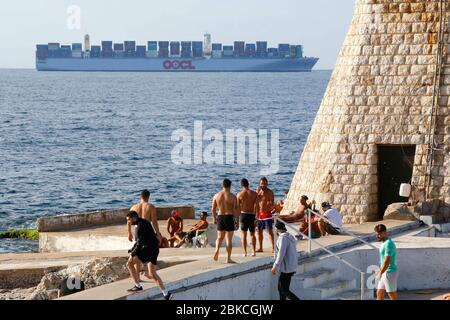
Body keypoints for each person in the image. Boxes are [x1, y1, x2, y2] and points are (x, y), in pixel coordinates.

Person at [125, 211, 172, 300]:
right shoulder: (144, 222)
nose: (128, 222)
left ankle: (138, 286)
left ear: (134, 218)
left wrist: (132, 254)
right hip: (154, 249)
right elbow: (140, 240)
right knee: (152, 274)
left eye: (129, 220)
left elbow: (140, 243)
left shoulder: (139, 226)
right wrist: (132, 249)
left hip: (148, 249)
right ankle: (166, 294)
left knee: (130, 263)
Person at [271, 220, 300, 300]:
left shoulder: (282, 238)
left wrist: (275, 266)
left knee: (283, 290)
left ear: (277, 229)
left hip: (286, 268)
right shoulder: (290, 236)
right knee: (281, 289)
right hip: (292, 266)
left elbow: (281, 253)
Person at [212, 179, 239, 263]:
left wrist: (214, 218)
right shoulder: (233, 196)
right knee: (228, 239)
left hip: (220, 216)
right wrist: (237, 221)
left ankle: (217, 250)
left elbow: (213, 209)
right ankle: (228, 258)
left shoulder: (216, 195)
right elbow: (235, 211)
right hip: (229, 217)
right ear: (230, 186)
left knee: (219, 237)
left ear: (222, 185)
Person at [374, 224, 398, 301]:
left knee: (391, 295)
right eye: (377, 234)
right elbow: (383, 260)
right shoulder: (384, 243)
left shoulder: (388, 244)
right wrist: (380, 271)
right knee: (379, 293)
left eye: (379, 234)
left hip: (390, 273)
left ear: (385, 232)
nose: (377, 236)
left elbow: (387, 261)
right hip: (385, 272)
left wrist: (381, 272)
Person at [237, 178, 258, 257]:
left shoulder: (239, 194)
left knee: (244, 235)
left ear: (241, 185)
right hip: (252, 215)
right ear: (248, 184)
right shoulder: (254, 194)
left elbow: (238, 208)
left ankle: (245, 252)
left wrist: (237, 218)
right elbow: (257, 206)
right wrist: (257, 216)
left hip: (243, 215)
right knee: (252, 234)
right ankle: (253, 251)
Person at [256, 177, 275, 253]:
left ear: (267, 184)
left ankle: (274, 248)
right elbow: (255, 202)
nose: (263, 185)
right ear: (259, 184)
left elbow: (272, 203)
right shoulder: (258, 192)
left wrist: (270, 204)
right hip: (260, 214)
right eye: (261, 183)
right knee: (259, 232)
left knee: (270, 231)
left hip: (267, 214)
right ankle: (260, 248)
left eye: (264, 183)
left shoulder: (270, 192)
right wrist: (257, 193)